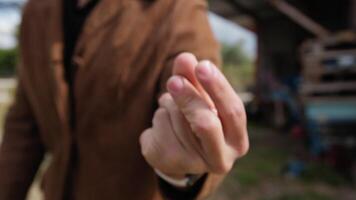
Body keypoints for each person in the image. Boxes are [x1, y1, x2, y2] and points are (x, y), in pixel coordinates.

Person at [0, 0, 249, 199]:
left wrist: (186, 161)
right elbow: (23, 126)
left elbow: (192, 94)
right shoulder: (36, 11)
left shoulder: (175, 9)